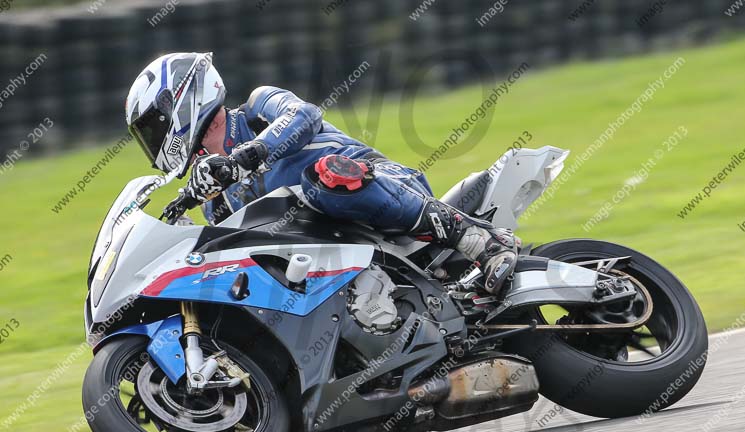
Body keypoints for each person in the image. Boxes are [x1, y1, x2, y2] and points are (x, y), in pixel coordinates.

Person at [125, 52, 518, 294]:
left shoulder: (260, 107)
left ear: (182, 101)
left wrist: (246, 157)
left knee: (324, 177)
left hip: (386, 187)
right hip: (335, 258)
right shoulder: (217, 200)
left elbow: (305, 115)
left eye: (152, 127)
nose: (153, 140)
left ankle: (475, 239)